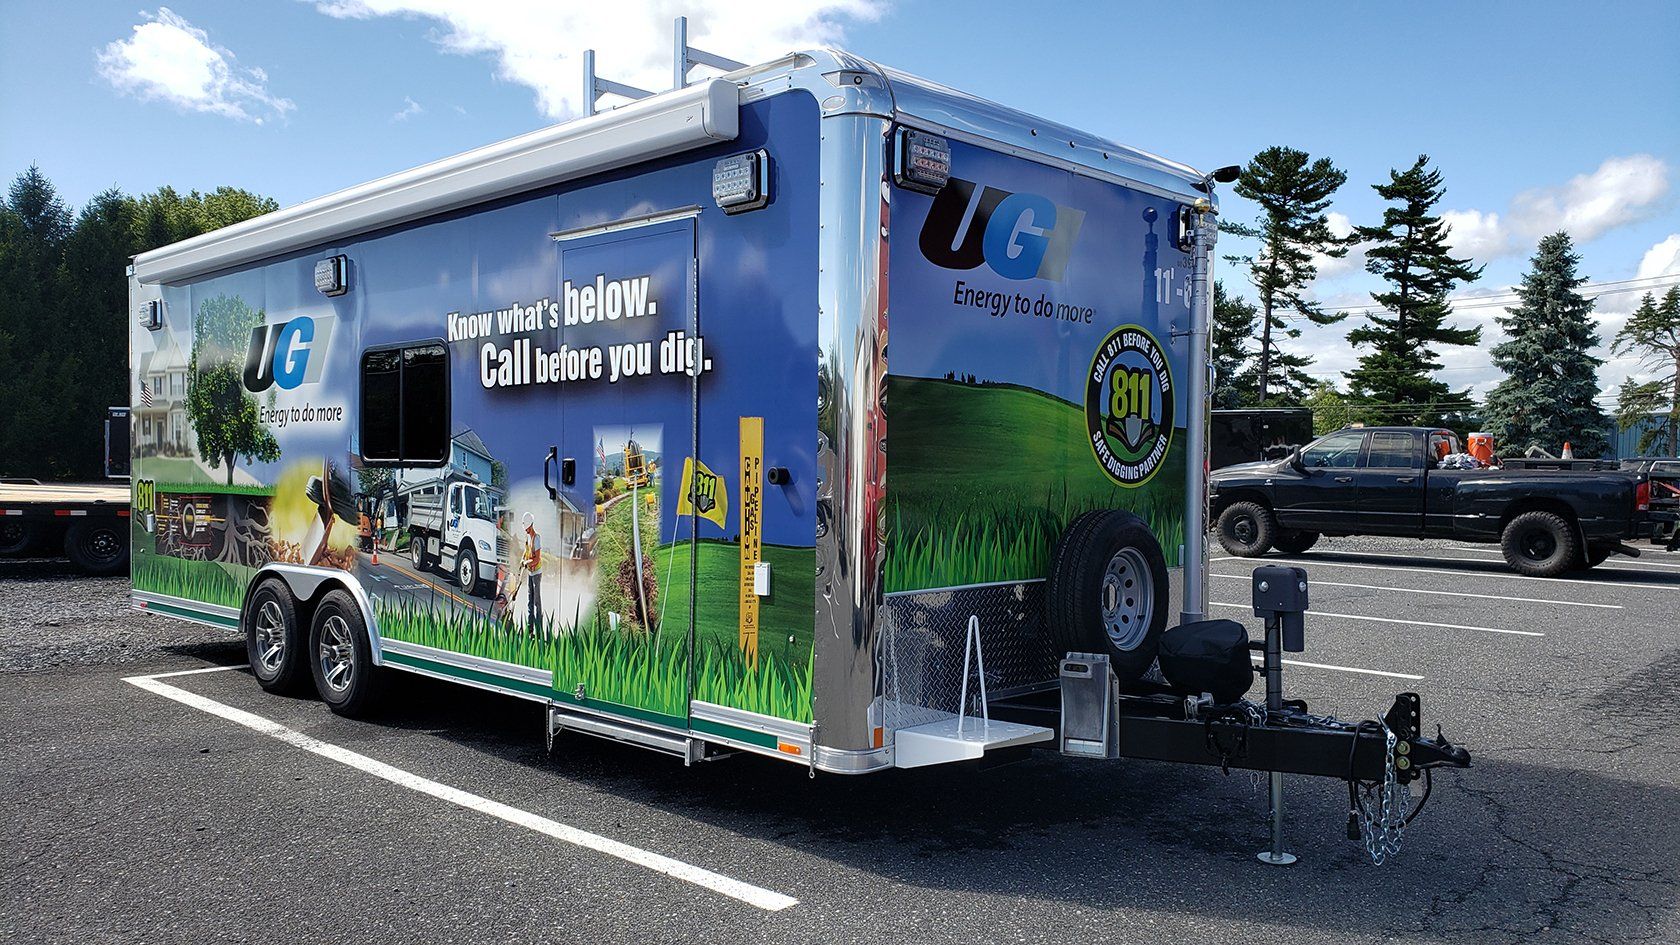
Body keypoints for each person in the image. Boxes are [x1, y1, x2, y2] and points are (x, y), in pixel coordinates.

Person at [522, 512, 543, 630]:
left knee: (536, 602)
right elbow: (526, 552)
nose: (525, 530)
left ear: (530, 526)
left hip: (536, 574)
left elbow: (537, 559)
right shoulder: (527, 537)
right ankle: (530, 627)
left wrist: (527, 563)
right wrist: (522, 560)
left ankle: (539, 628)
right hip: (530, 573)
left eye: (526, 528)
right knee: (529, 600)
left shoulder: (536, 538)